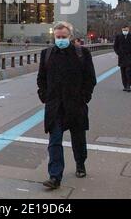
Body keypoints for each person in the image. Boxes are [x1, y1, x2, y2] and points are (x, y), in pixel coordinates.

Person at [37, 21, 97, 190]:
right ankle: (55, 176)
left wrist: (84, 97)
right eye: (58, 37)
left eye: (63, 37)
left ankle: (80, 163)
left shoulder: (82, 54)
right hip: (55, 106)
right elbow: (41, 78)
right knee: (54, 141)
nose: (60, 40)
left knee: (78, 138)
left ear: (70, 37)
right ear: (54, 36)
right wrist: (44, 96)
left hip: (75, 104)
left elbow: (90, 78)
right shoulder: (47, 54)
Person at [114, 25, 131, 92]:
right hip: (121, 57)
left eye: (126, 30)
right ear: (122, 30)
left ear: (128, 30)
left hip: (129, 56)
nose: (125, 31)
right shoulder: (118, 36)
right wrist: (118, 53)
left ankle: (128, 85)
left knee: (128, 71)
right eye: (124, 30)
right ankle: (124, 85)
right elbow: (115, 46)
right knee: (123, 72)